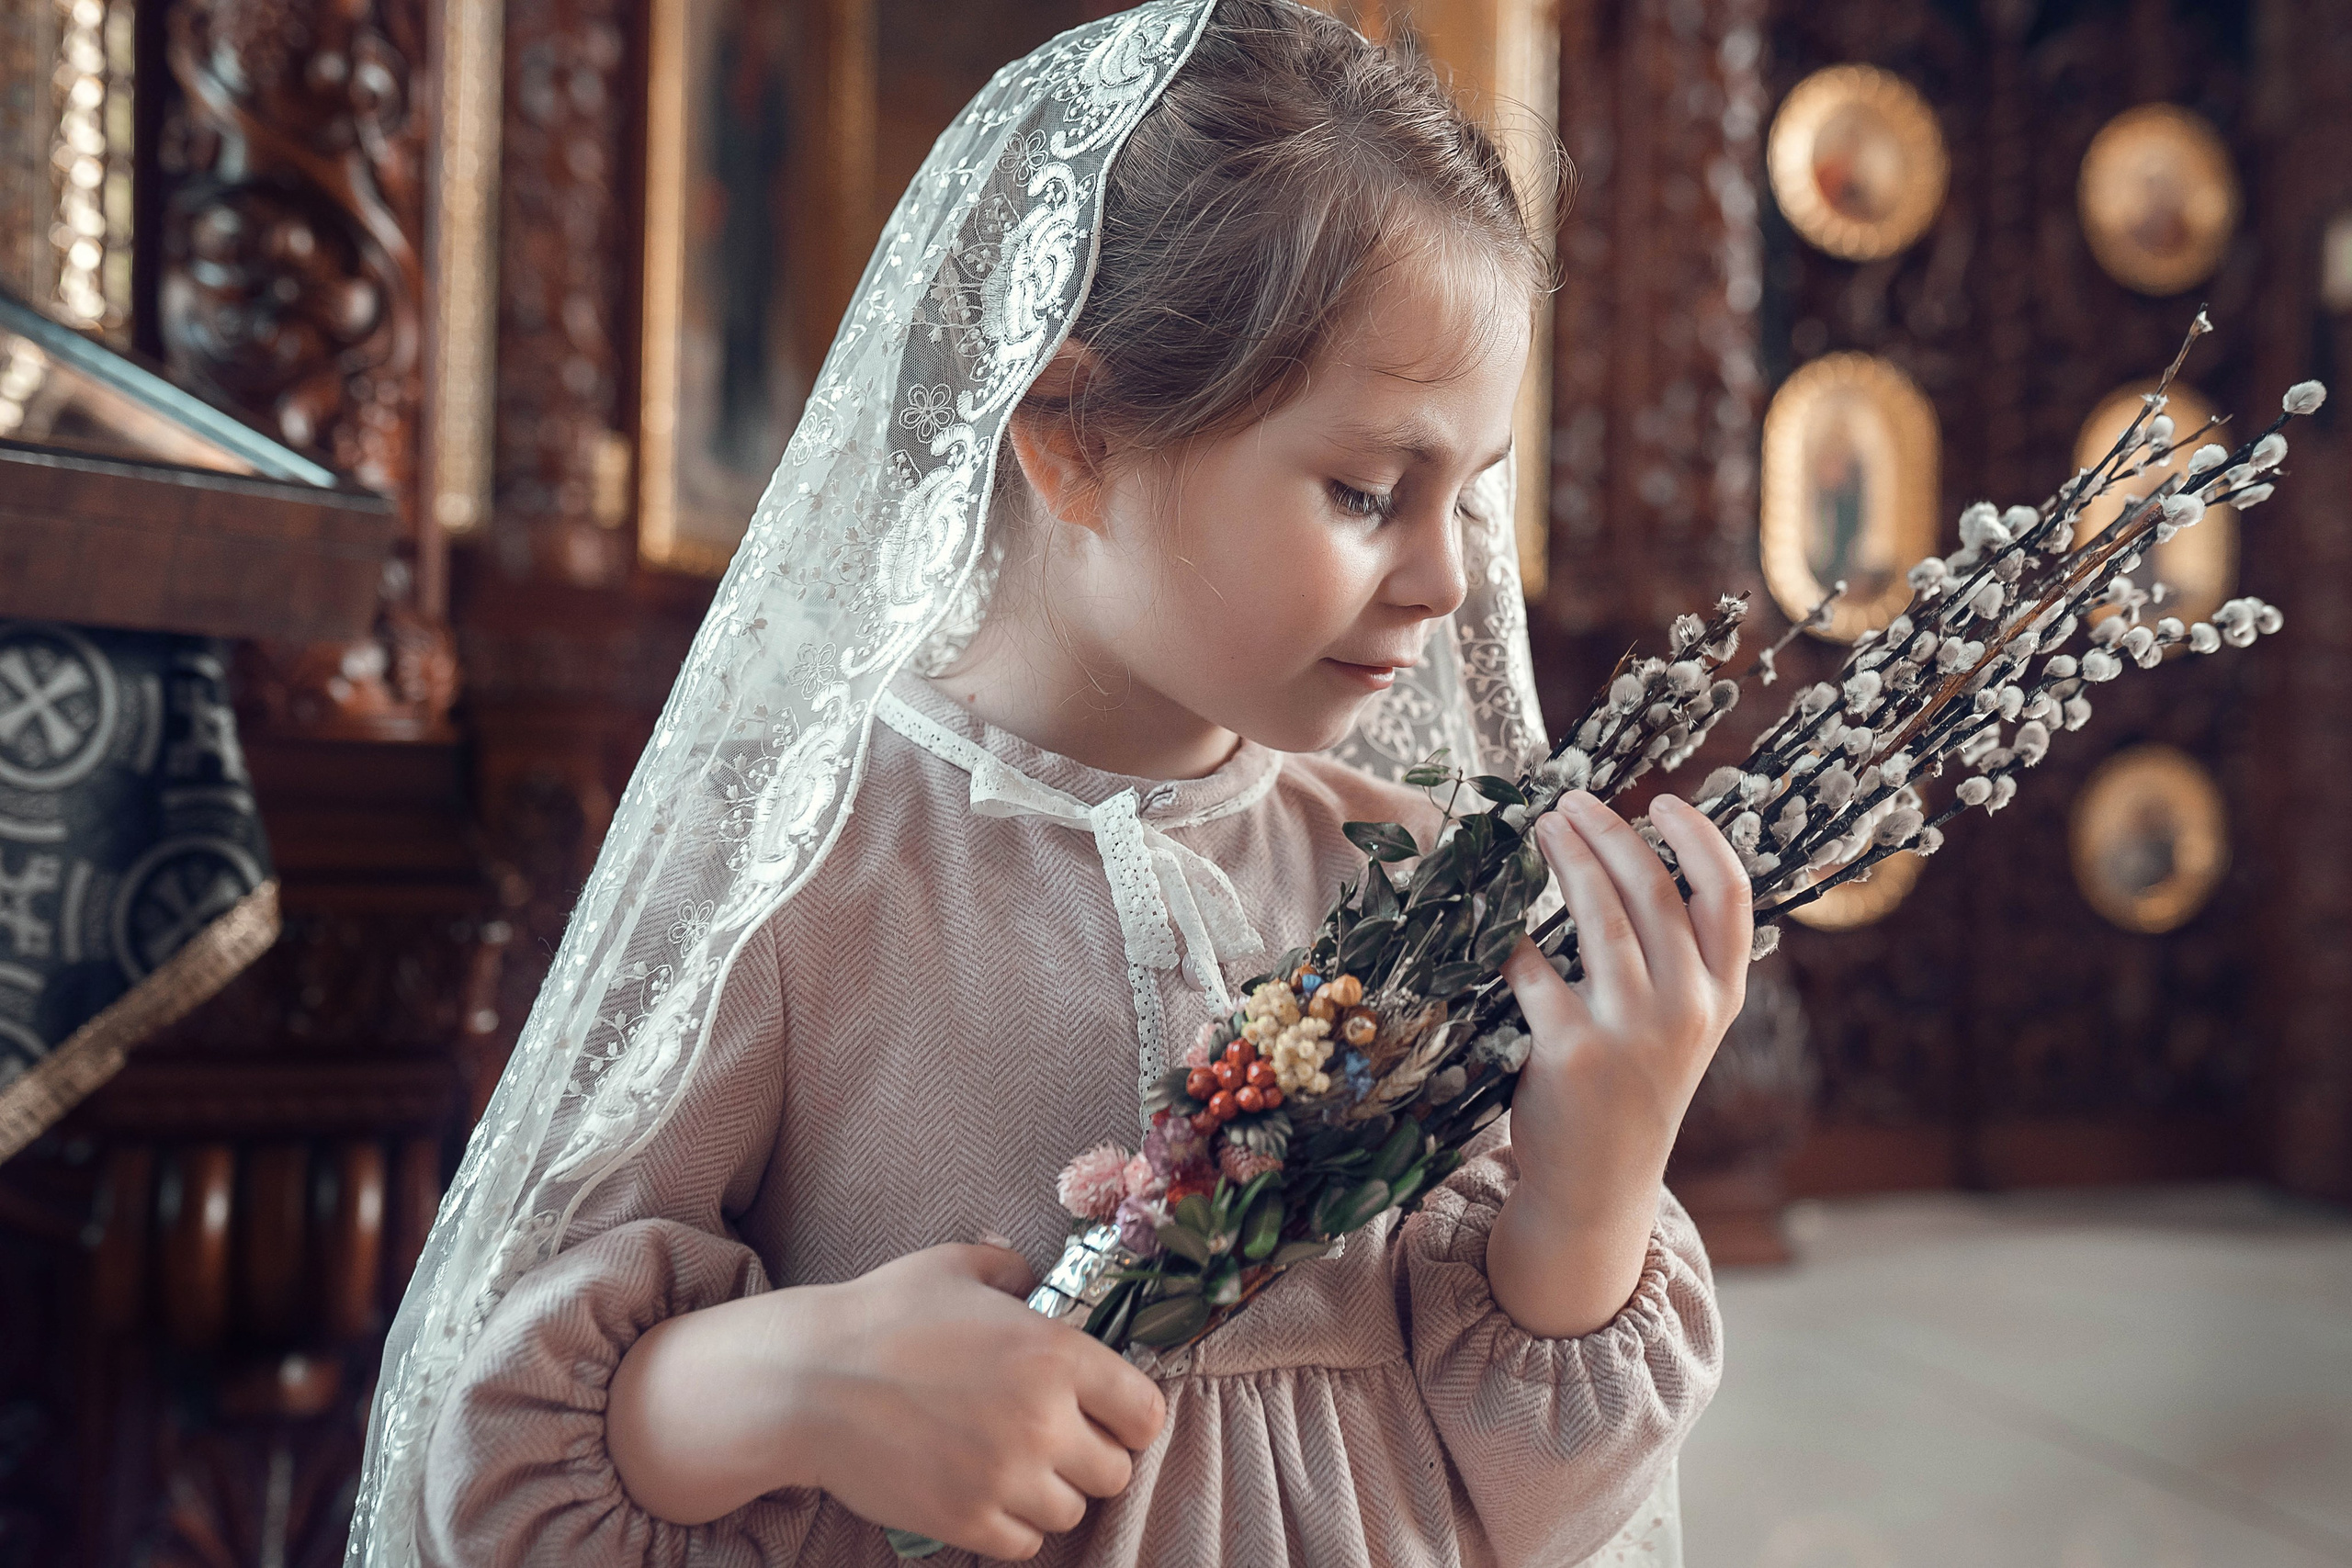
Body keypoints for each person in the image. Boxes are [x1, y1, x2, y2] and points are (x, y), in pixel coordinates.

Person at [353, 4, 1748, 1563]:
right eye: (1368, 490)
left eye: (1468, 504)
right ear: (1075, 436)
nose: (1441, 579)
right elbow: (497, 1451)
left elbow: (1558, 1516)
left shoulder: (1433, 882)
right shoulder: (807, 861)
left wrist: (1596, 1187)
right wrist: (792, 1383)